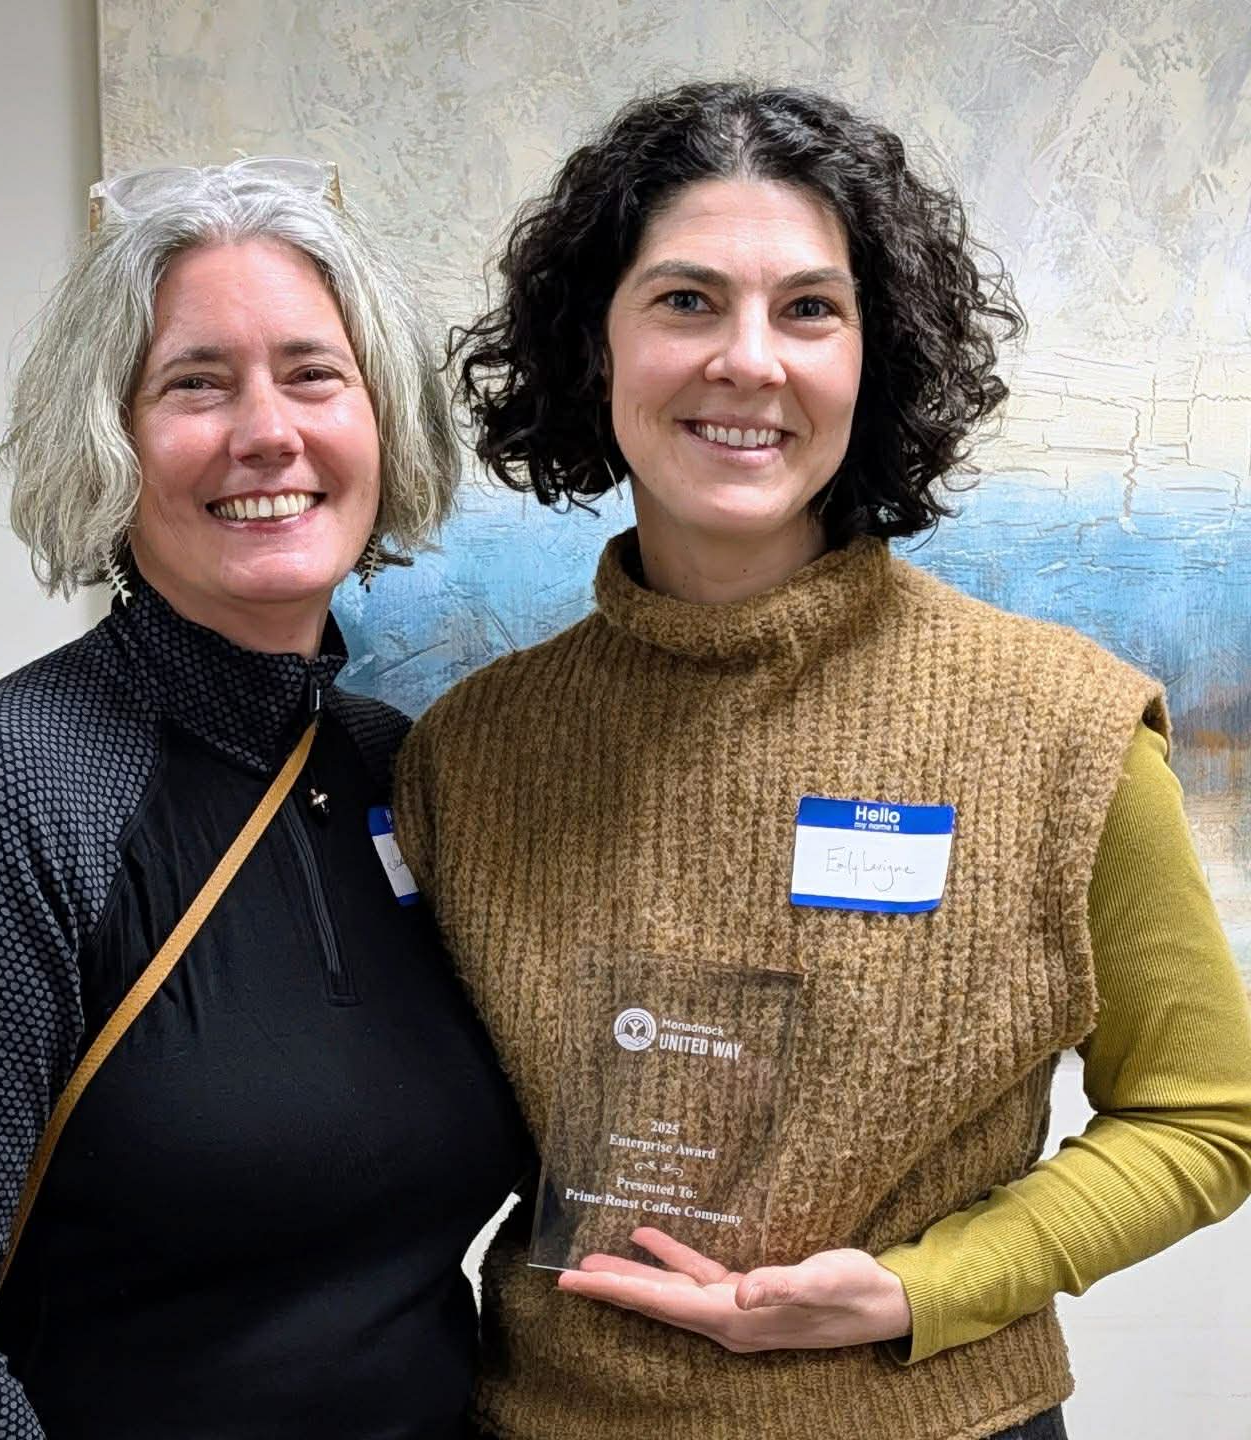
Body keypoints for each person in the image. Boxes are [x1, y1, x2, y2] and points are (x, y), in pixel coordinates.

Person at [393, 83, 1251, 1440]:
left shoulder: (1064, 726)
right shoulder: (473, 752)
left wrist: (919, 1291)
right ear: (591, 343)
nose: (750, 360)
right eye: (684, 301)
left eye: (809, 309)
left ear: (877, 354)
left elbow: (1208, 1120)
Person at [0, 157, 530, 1439]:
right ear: (110, 439)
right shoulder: (0, 796)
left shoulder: (397, 769)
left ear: (383, 426)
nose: (268, 431)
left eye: (314, 374)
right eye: (196, 384)